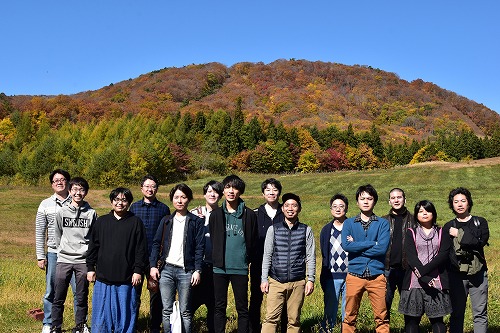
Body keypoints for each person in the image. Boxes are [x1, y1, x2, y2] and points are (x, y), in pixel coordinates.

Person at [86, 187, 148, 333]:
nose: (120, 203)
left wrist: (138, 270)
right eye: (117, 200)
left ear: (129, 203)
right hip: (103, 278)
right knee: (101, 316)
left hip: (126, 279)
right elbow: (93, 247)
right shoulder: (101, 222)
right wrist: (90, 268)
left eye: (124, 200)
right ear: (112, 201)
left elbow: (141, 249)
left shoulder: (135, 222)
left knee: (125, 314)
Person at [149, 183, 205, 333]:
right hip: (166, 270)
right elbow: (155, 243)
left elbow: (200, 247)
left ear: (189, 199)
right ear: (172, 199)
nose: (179, 200)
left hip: (186, 271)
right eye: (176, 197)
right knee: (166, 310)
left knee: (185, 311)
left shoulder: (196, 222)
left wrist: (197, 270)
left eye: (183, 197)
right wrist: (153, 265)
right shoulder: (166, 220)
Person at [209, 174, 258, 333]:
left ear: (240, 191)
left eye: (235, 188)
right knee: (219, 306)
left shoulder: (249, 215)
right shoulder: (216, 214)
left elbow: (253, 240)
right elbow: (214, 237)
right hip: (219, 268)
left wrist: (246, 259)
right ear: (223, 191)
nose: (231, 191)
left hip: (240, 267)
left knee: (242, 308)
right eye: (228, 187)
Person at [260, 193, 316, 333]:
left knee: (294, 320)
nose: (290, 208)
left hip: (297, 283)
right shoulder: (273, 229)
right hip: (276, 281)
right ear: (282, 209)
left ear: (299, 209)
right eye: (287, 205)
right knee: (271, 318)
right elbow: (267, 255)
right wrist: (264, 279)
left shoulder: (306, 230)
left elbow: (310, 256)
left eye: (294, 205)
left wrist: (311, 279)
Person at [341, 184, 390, 333]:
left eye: (370, 198)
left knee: (382, 316)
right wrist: (372, 243)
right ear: (357, 202)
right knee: (349, 315)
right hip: (355, 274)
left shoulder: (382, 223)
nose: (366, 201)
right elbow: (346, 246)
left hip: (376, 275)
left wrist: (357, 245)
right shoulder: (349, 223)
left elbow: (382, 249)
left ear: (374, 201)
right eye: (362, 198)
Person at [50, 177, 96, 333]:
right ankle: (56, 326)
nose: (78, 192)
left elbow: (93, 237)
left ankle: (80, 325)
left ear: (86, 192)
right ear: (69, 191)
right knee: (58, 296)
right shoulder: (62, 211)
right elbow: (57, 234)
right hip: (64, 259)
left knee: (82, 296)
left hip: (83, 260)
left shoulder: (91, 213)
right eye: (75, 189)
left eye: (82, 189)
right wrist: (62, 249)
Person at [398, 200, 452, 333]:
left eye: (427, 211)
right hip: (413, 283)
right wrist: (425, 278)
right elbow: (412, 258)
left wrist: (424, 274)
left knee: (437, 321)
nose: (424, 214)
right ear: (416, 215)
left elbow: (442, 256)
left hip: (436, 282)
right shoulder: (411, 232)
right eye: (421, 211)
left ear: (433, 213)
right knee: (412, 321)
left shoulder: (442, 232)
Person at [35, 169, 76, 333]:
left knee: (78, 291)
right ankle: (48, 323)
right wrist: (40, 255)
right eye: (56, 180)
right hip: (53, 253)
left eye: (63, 179)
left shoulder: (76, 201)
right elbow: (40, 231)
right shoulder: (45, 204)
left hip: (75, 254)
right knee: (51, 289)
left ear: (68, 182)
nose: (59, 182)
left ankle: (80, 324)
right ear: (52, 184)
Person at [444, 187, 489, 333]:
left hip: (479, 274)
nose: (460, 204)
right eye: (456, 201)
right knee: (456, 313)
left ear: (469, 202)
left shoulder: (479, 222)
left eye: (463, 200)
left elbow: (480, 242)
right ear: (452, 205)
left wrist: (459, 234)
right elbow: (444, 252)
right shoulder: (448, 225)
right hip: (456, 275)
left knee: (480, 314)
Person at [130, 174, 171, 333]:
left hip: (156, 259)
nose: (150, 189)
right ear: (141, 188)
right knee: (134, 294)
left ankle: (154, 326)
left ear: (157, 189)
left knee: (156, 294)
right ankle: (133, 324)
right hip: (137, 258)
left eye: (153, 186)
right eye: (147, 186)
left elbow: (166, 234)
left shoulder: (163, 209)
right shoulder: (134, 207)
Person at [250, 178, 286, 333]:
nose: (272, 193)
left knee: (283, 299)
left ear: (279, 193)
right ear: (263, 193)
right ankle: (253, 328)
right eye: (268, 190)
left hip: (281, 264)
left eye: (275, 189)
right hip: (258, 263)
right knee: (256, 298)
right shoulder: (254, 214)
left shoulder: (285, 212)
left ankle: (283, 328)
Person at [190, 180, 224, 333]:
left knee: (214, 304)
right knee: (190, 304)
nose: (212, 194)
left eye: (215, 191)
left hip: (216, 266)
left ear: (220, 195)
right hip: (197, 267)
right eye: (209, 191)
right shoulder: (194, 213)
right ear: (204, 194)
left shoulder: (224, 214)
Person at [382, 188, 416, 318]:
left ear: (405, 200)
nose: (396, 200)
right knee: (384, 307)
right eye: (393, 198)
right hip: (387, 270)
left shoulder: (414, 220)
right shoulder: (382, 221)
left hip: (407, 270)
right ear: (389, 201)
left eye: (399, 197)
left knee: (409, 307)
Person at [320, 193, 349, 332]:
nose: (338, 209)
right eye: (335, 206)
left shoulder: (352, 227)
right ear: (331, 209)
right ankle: (328, 330)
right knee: (330, 310)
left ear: (346, 208)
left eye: (341, 206)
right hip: (332, 277)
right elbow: (324, 254)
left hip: (350, 276)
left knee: (348, 311)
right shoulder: (326, 230)